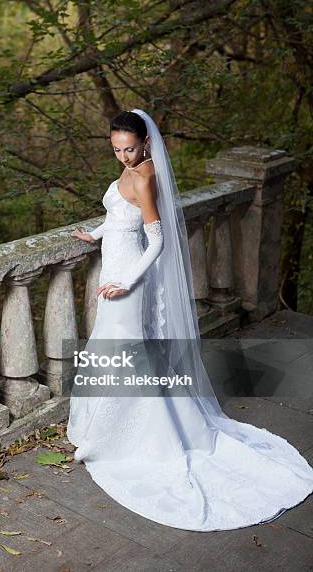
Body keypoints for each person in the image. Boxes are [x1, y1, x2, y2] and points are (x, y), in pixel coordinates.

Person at [66, 109, 313, 531]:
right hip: (113, 274)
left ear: (145, 142)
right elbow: (117, 219)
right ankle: (103, 427)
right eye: (116, 149)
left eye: (129, 148)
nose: (123, 157)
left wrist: (127, 282)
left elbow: (156, 241)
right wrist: (95, 235)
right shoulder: (129, 173)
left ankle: (139, 436)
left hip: (129, 281)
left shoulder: (145, 176)